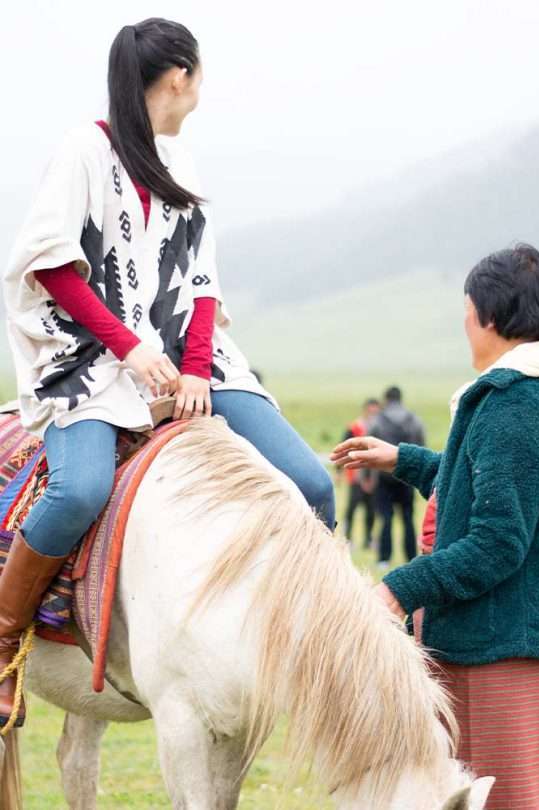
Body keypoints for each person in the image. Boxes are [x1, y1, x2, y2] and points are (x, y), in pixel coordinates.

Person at [0, 18, 334, 728]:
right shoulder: (84, 152)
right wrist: (128, 349)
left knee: (311, 484)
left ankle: (309, 648)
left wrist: (192, 370)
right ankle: (1, 640)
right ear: (179, 75)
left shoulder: (180, 162)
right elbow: (53, 265)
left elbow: (202, 283)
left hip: (189, 359)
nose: (201, 87)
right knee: (79, 488)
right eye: (201, 74)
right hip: (91, 358)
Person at [331, 244, 539, 809]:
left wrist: (396, 590)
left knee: (504, 799)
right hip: (510, 633)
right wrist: (401, 460)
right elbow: (479, 482)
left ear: (493, 318)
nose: (465, 325)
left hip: (497, 644)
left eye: (468, 312)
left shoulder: (515, 404)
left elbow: (498, 540)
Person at [371, 386, 425, 567]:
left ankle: (383, 559)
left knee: (385, 518)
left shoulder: (379, 419)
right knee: (408, 519)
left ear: (386, 399)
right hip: (407, 476)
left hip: (384, 477)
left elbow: (369, 449)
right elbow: (422, 447)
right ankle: (411, 557)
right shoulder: (413, 419)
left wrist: (367, 476)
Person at [339, 398, 380, 547]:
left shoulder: (380, 427)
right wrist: (338, 471)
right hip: (355, 475)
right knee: (352, 508)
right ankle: (348, 538)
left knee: (371, 510)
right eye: (371, 410)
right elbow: (343, 449)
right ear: (366, 410)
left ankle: (368, 539)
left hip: (374, 475)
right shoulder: (355, 428)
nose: (373, 413)